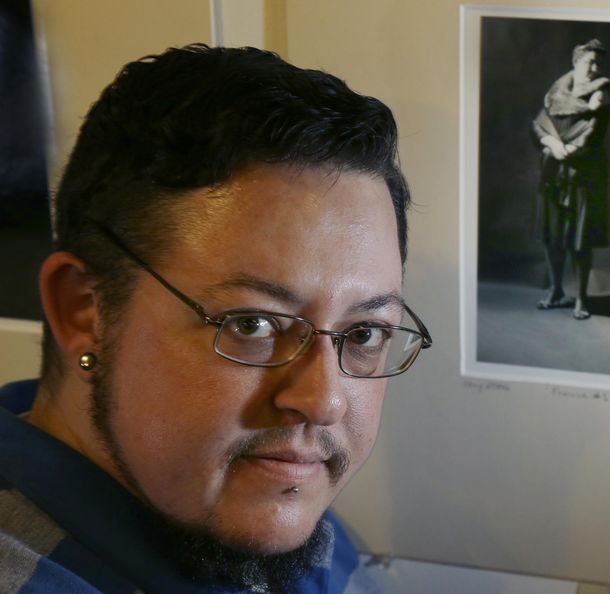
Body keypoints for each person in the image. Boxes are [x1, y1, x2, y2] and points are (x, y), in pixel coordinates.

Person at [0, 44, 432, 593]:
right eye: (254, 324)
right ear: (84, 311)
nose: (323, 400)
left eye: (364, 333)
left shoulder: (261, 498)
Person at [533, 39, 610, 320]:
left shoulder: (601, 94)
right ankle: (556, 291)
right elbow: (539, 123)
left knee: (580, 239)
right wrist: (552, 142)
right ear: (576, 62)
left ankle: (581, 298)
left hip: (583, 174)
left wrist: (570, 150)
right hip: (554, 172)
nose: (594, 68)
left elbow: (593, 132)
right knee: (552, 236)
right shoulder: (556, 92)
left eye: (598, 63)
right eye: (589, 62)